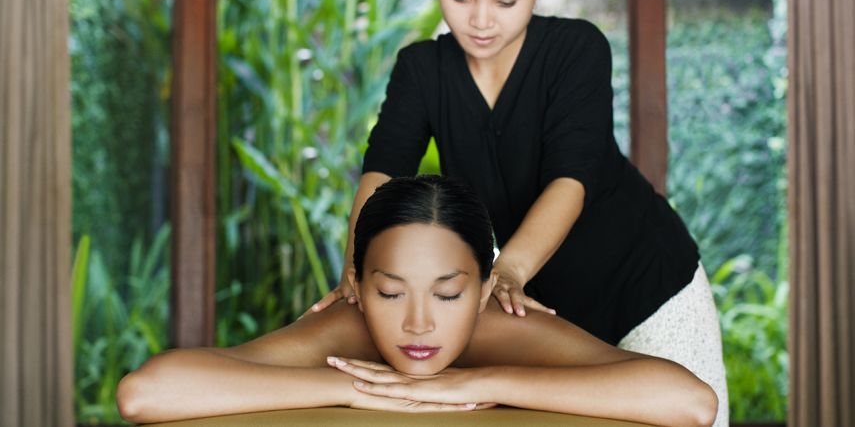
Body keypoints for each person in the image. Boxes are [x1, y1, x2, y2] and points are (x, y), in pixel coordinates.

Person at [307, 0, 729, 425]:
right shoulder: (422, 69)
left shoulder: (576, 48)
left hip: (645, 283)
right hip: (543, 309)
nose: (481, 20)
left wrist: (507, 270)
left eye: (505, 1)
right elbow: (381, 172)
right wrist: (355, 270)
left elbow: (571, 180)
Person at [117, 176, 717, 426]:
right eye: (389, 291)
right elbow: (145, 392)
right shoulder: (346, 329)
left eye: (449, 293)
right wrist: (359, 387)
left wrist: (480, 383)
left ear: (486, 289)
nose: (418, 322)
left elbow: (689, 403)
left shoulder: (502, 328)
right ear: (356, 284)